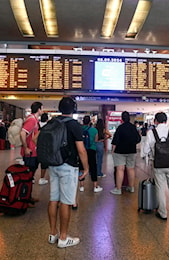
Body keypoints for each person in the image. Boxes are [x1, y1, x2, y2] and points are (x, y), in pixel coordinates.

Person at [47, 97, 89, 248]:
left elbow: (37, 138)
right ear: (74, 109)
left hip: (53, 164)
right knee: (66, 202)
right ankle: (64, 238)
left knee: (53, 199)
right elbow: (81, 150)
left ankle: (53, 234)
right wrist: (86, 168)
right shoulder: (74, 125)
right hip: (68, 167)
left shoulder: (52, 122)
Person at [143, 112, 169, 220]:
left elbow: (145, 151)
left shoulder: (151, 133)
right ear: (166, 121)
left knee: (160, 188)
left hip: (157, 164)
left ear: (155, 121)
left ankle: (163, 213)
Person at [110, 111, 141, 195]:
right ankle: (131, 187)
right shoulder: (133, 127)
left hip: (120, 151)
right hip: (131, 151)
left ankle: (118, 189)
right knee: (130, 169)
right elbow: (138, 139)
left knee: (120, 169)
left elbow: (115, 141)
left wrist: (112, 150)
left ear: (122, 118)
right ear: (129, 118)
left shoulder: (120, 128)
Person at [20, 102, 44, 201]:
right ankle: (25, 198)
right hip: (30, 153)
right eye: (42, 108)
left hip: (33, 152)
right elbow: (22, 133)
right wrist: (26, 148)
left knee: (30, 176)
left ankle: (28, 197)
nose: (43, 110)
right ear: (38, 109)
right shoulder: (32, 120)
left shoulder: (33, 119)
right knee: (28, 176)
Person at [81, 115, 103, 193]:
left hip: (82, 150)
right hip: (92, 150)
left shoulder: (79, 129)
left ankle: (81, 186)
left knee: (82, 167)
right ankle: (95, 186)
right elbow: (96, 140)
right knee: (93, 167)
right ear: (90, 122)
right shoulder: (94, 130)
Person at [38, 112, 50, 185]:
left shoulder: (37, 124)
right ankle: (42, 178)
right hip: (45, 147)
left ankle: (32, 177)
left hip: (37, 146)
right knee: (45, 164)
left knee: (35, 163)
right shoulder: (48, 126)